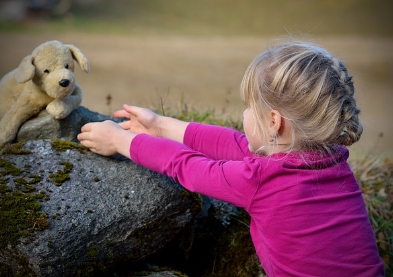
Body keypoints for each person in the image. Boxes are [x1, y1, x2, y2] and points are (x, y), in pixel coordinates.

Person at [77, 41, 385, 276]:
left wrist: (121, 140)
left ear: (274, 122)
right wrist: (160, 125)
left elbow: (188, 166)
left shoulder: (261, 180)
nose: (244, 113)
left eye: (250, 106)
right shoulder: (332, 161)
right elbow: (237, 145)